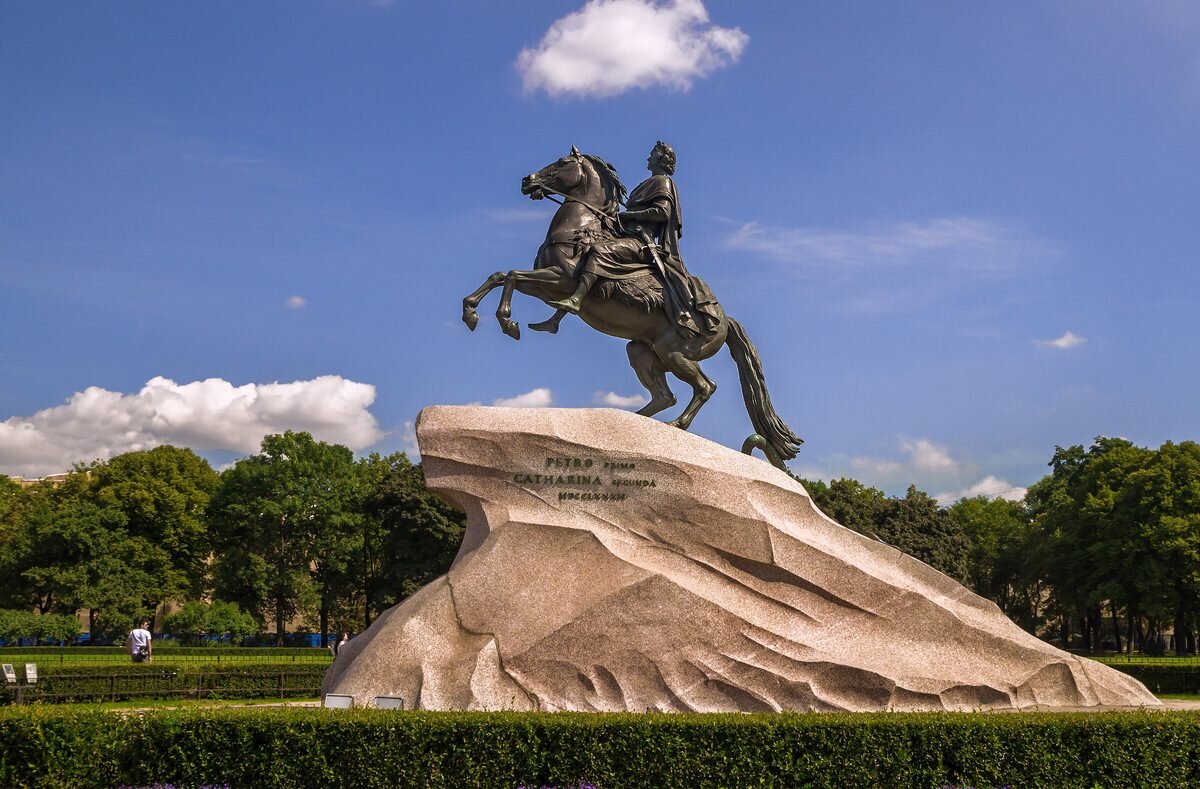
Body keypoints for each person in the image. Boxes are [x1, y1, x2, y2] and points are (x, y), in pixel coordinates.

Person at [544, 141, 718, 338]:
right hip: (627, 234)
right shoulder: (647, 183)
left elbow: (662, 212)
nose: (648, 157)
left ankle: (576, 300)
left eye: (652, 154)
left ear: (661, 159)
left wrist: (628, 216)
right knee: (582, 252)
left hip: (641, 242)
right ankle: (556, 319)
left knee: (598, 251)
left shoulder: (663, 182)